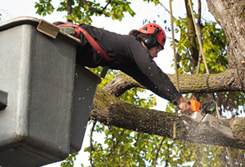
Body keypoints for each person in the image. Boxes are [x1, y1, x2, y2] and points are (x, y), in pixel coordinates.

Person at [56, 22, 191, 114]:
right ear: (150, 40)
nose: (156, 55)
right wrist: (179, 99)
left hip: (69, 53)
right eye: (158, 50)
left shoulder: (129, 61)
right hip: (65, 36)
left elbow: (151, 82)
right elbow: (152, 70)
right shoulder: (132, 43)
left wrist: (175, 100)